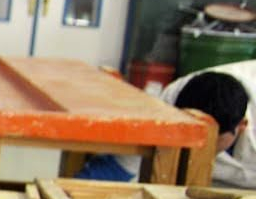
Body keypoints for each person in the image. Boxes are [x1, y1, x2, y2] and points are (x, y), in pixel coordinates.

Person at [75, 68, 253, 183]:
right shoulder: (171, 102)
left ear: (242, 125)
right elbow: (122, 167)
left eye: (212, 142)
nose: (201, 148)